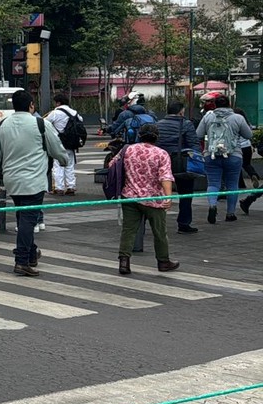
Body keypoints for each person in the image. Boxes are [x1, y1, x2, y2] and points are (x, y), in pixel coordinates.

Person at [0, 89, 69, 277]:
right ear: (31, 105)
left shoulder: (1, 126)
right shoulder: (40, 123)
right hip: (33, 180)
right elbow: (56, 148)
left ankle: (31, 253)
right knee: (28, 220)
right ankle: (22, 260)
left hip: (12, 180)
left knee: (23, 217)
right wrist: (64, 161)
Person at [108, 123, 180, 276]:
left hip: (130, 196)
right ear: (157, 137)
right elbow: (165, 176)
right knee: (159, 231)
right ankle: (163, 261)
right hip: (154, 199)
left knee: (128, 230)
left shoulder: (128, 150)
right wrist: (168, 197)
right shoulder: (161, 153)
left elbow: (112, 164)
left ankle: (124, 262)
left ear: (139, 135)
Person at [196, 94, 253, 224]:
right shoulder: (237, 118)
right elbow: (248, 134)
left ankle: (212, 205)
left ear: (215, 105)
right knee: (232, 184)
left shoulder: (208, 116)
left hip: (211, 155)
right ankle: (230, 213)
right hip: (234, 155)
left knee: (213, 184)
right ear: (229, 104)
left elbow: (198, 134)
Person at [155, 102, 200, 233]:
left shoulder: (157, 124)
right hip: (180, 163)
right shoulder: (186, 124)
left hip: (160, 163)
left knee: (156, 191)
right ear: (181, 112)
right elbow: (194, 144)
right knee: (185, 193)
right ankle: (184, 223)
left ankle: (154, 222)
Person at [44, 94, 82, 196]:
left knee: (58, 165)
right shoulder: (74, 113)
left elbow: (45, 123)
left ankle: (59, 188)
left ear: (58, 103)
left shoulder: (55, 113)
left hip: (59, 142)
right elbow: (81, 120)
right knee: (70, 165)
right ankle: (71, 187)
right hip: (71, 143)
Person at [233, 109, 260, 214]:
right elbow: (250, 134)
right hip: (247, 146)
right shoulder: (246, 123)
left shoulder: (233, 121)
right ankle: (253, 174)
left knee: (237, 166)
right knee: (247, 164)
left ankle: (240, 184)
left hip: (237, 147)